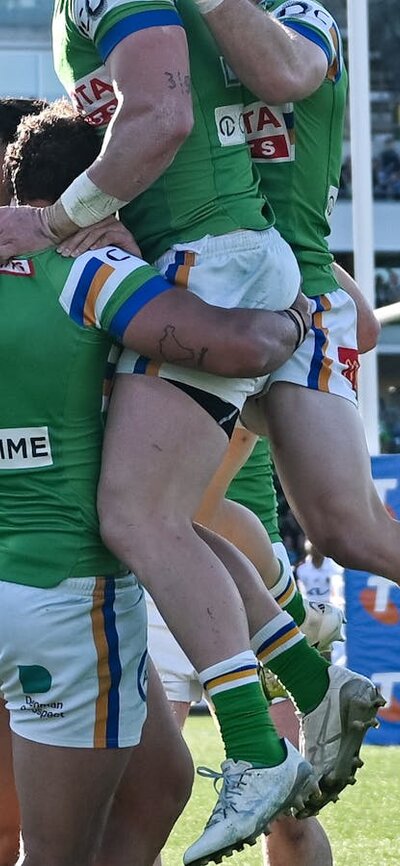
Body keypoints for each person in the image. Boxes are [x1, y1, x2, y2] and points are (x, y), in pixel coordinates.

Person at [0, 101, 316, 866]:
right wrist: (300, 319)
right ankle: (302, 681)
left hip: (13, 576)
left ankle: (309, 671)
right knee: (57, 852)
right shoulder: (89, 268)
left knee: (161, 782)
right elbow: (235, 344)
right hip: (69, 598)